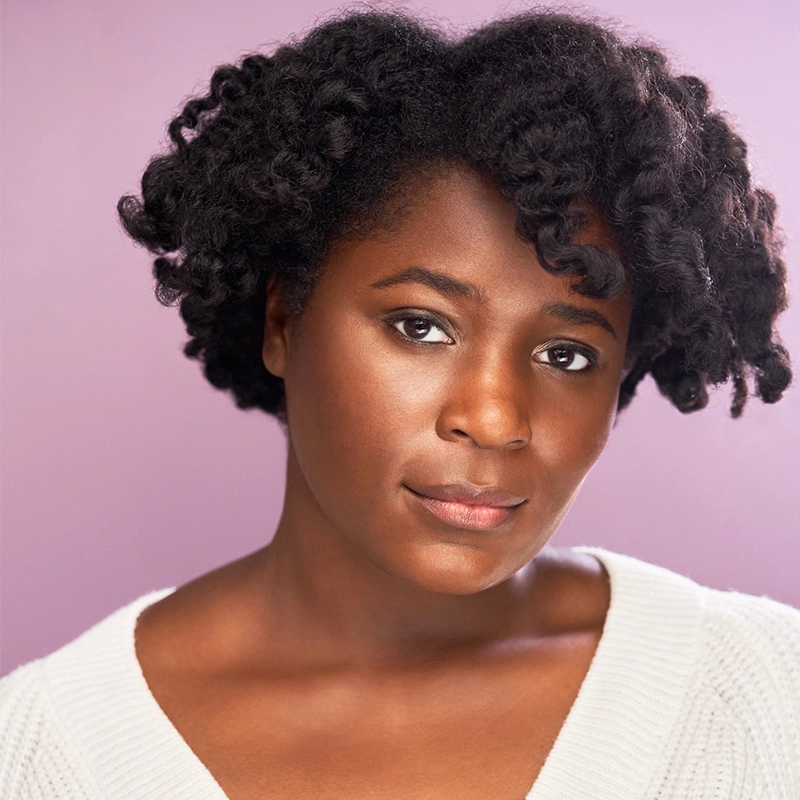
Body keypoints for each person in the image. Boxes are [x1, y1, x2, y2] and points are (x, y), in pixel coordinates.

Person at [1, 9, 798, 799]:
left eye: (567, 355)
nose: (493, 419)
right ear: (283, 320)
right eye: (421, 326)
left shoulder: (767, 695)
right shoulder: (43, 753)